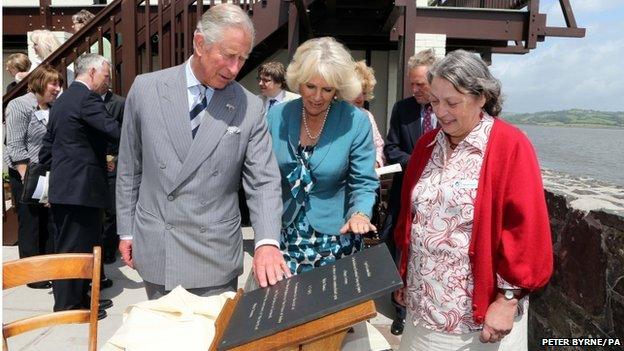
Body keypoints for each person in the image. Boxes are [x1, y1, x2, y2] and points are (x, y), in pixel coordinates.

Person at [116, 4, 290, 300]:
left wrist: (267, 242)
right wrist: (127, 230)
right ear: (200, 43)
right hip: (160, 246)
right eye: (229, 55)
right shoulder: (145, 90)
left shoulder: (249, 107)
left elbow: (263, 181)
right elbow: (130, 167)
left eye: (243, 58)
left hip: (214, 256)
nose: (235, 69)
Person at [394, 50, 553, 351]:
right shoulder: (426, 146)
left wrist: (508, 300)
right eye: (435, 101)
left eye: (452, 102)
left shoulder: (510, 145)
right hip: (422, 312)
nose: (441, 112)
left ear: (482, 97)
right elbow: (410, 217)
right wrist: (404, 274)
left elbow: (526, 230)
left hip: (476, 322)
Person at [266, 37, 379, 275]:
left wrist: (360, 213)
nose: (317, 97)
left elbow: (363, 181)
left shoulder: (354, 121)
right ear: (298, 82)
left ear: (338, 88)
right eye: (310, 86)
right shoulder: (276, 117)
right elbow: (263, 180)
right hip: (285, 236)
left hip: (336, 238)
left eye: (327, 89)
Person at [39, 53, 120, 319]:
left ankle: (79, 297)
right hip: (81, 189)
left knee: (72, 246)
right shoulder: (87, 99)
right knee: (76, 249)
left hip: (67, 186)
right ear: (93, 72)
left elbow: (47, 149)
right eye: (106, 76)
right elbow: (114, 130)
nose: (108, 82)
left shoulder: (62, 101)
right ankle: (70, 306)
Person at [381, 48, 437, 335]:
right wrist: (417, 162)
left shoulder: (448, 109)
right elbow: (391, 148)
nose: (414, 89)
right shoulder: (402, 109)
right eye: (411, 84)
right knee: (401, 254)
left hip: (439, 204)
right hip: (406, 197)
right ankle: (401, 312)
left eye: (421, 84)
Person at [3, 64, 62, 289]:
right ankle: (31, 274)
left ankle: (47, 268)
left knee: (49, 222)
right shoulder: (19, 105)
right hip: (25, 172)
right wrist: (32, 183)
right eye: (53, 83)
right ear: (38, 82)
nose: (57, 88)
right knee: (31, 222)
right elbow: (15, 146)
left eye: (59, 84)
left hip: (47, 171)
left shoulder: (52, 106)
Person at [350, 60, 385, 168]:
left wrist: (377, 162)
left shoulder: (368, 116)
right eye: (356, 92)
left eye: (364, 93)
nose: (360, 98)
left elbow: (379, 145)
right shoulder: (334, 115)